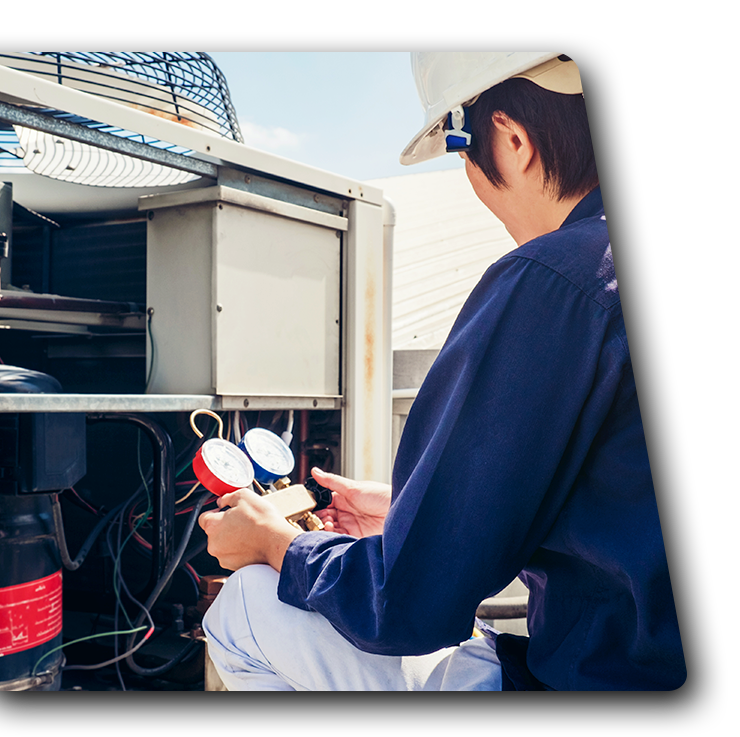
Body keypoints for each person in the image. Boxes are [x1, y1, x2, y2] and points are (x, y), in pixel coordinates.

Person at [198, 52, 689, 691]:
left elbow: (405, 606)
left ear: (512, 140)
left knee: (246, 609)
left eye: (463, 151)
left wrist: (275, 544)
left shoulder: (558, 279)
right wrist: (421, 511)